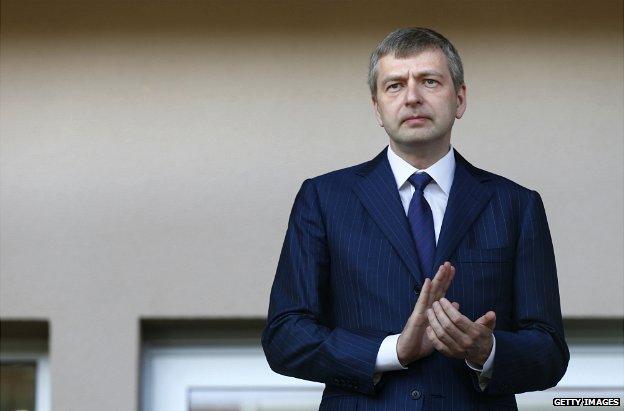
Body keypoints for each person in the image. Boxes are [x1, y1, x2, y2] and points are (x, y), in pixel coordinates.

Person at [261, 27, 569, 410]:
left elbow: (550, 350)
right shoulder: (324, 198)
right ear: (377, 108)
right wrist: (392, 351)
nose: (412, 97)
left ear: (459, 99)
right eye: (394, 86)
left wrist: (486, 351)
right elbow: (285, 337)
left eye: (429, 81)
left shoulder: (515, 205)